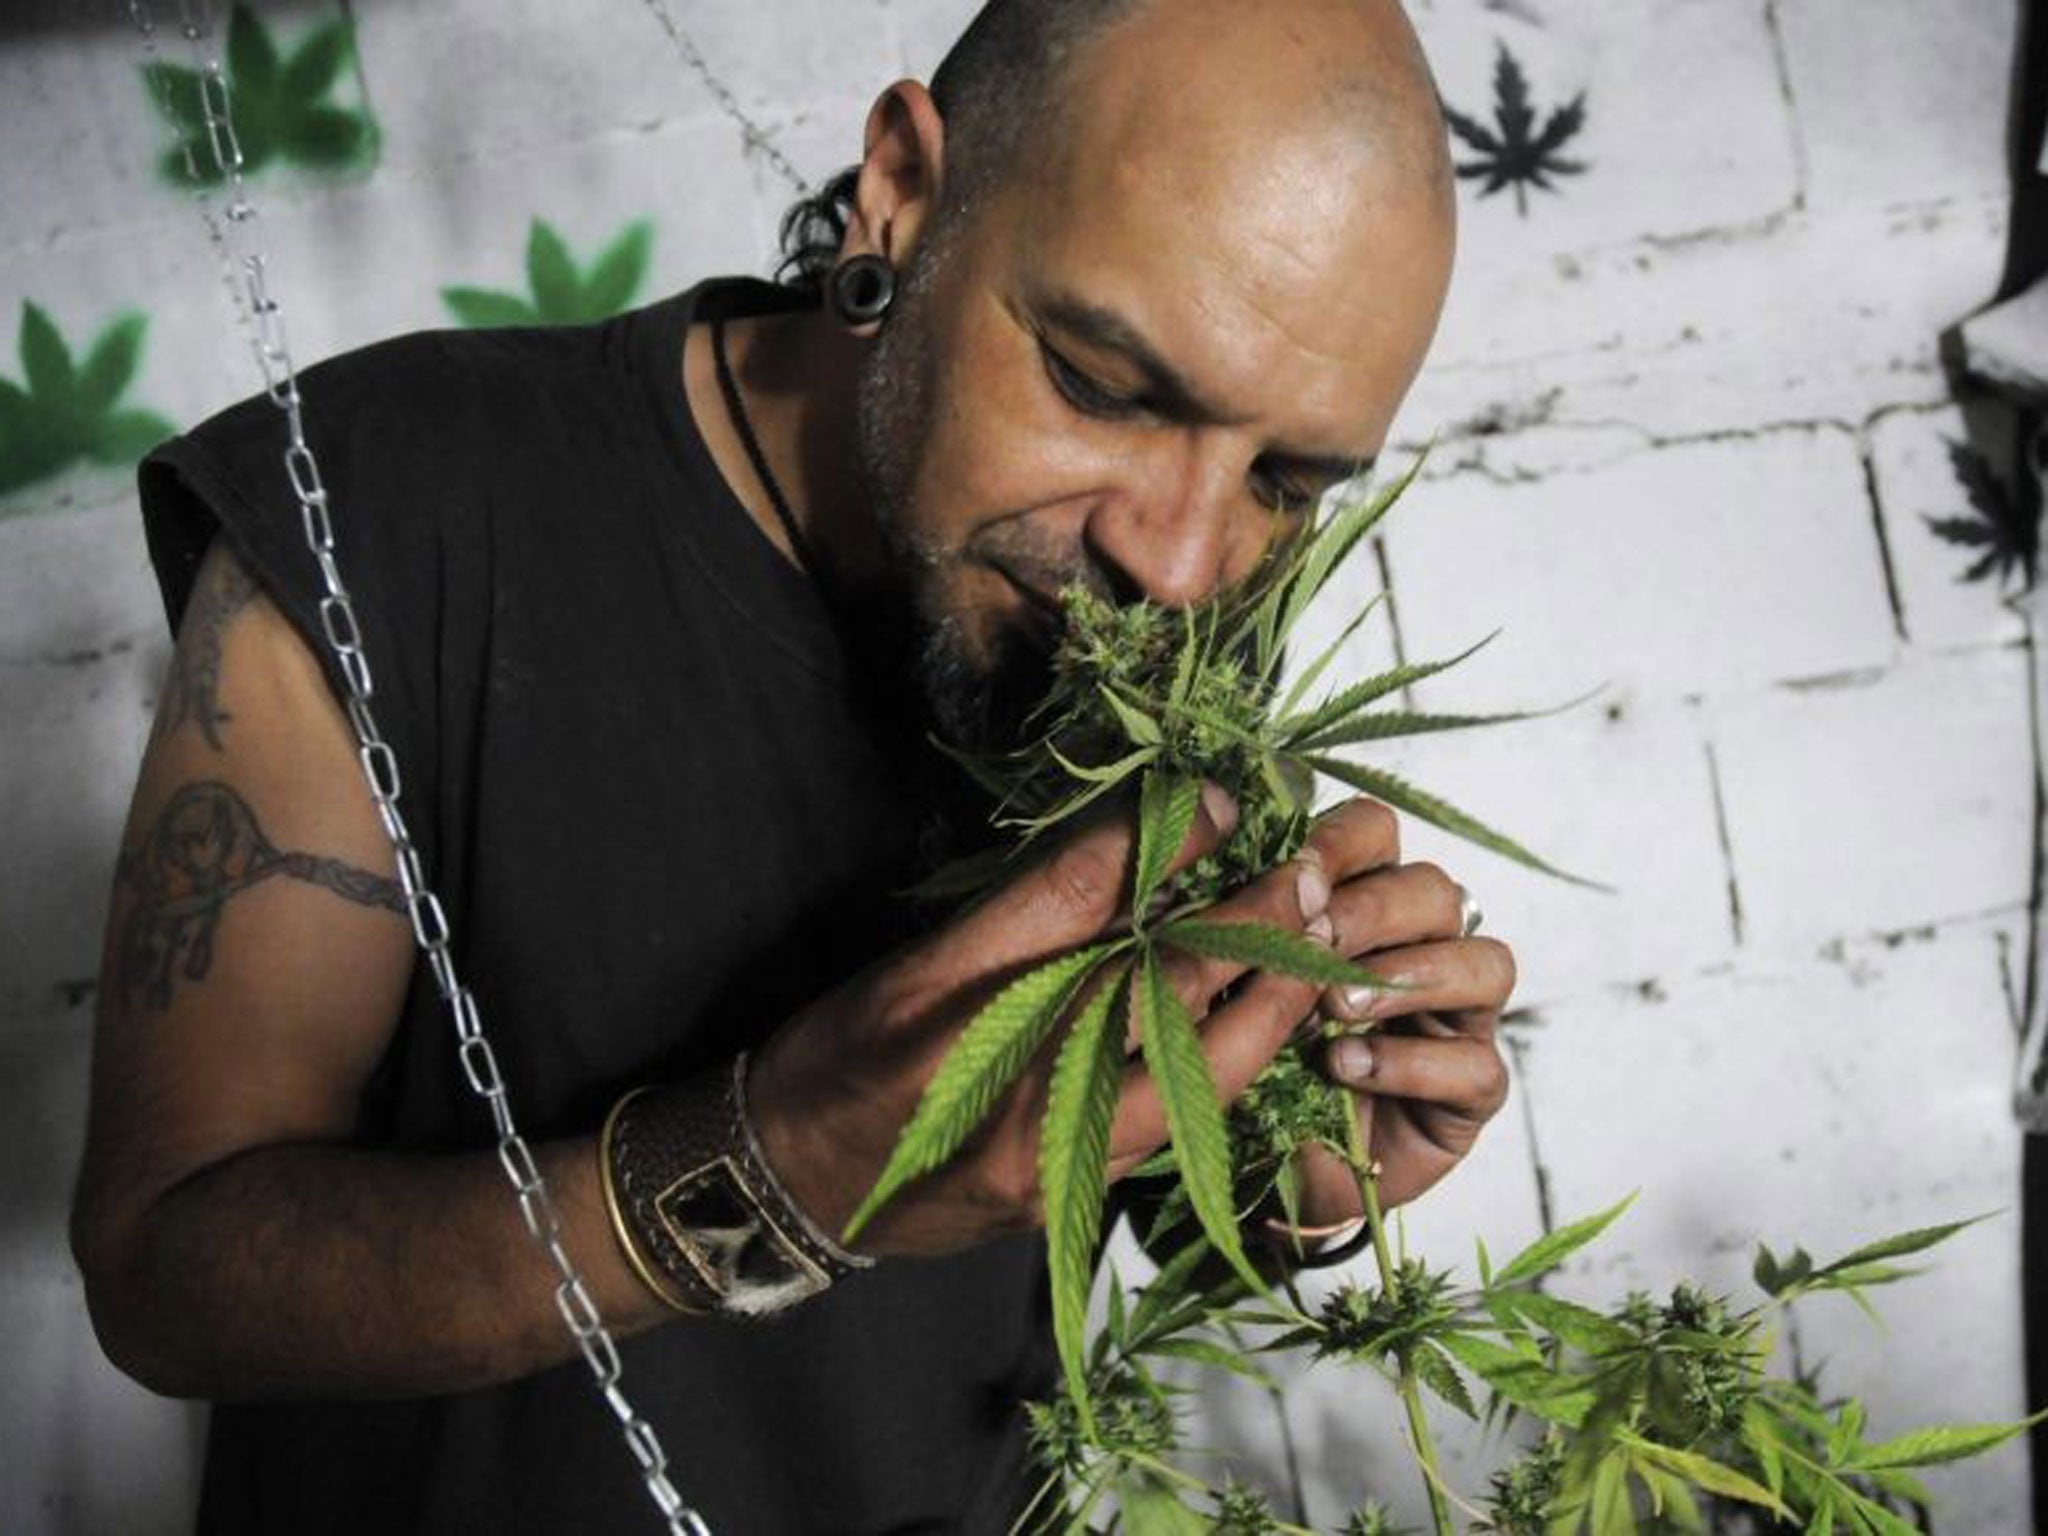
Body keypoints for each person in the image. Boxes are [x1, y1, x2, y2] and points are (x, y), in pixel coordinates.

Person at [70, 0, 1515, 1530]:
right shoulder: (399, 495)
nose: (1175, 562)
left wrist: (1296, 1162)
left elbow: (1092, 1163)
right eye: (1102, 383)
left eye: (1287, 480)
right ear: (901, 189)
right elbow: (167, 1267)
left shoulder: (1166, 596)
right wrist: (785, 1169)